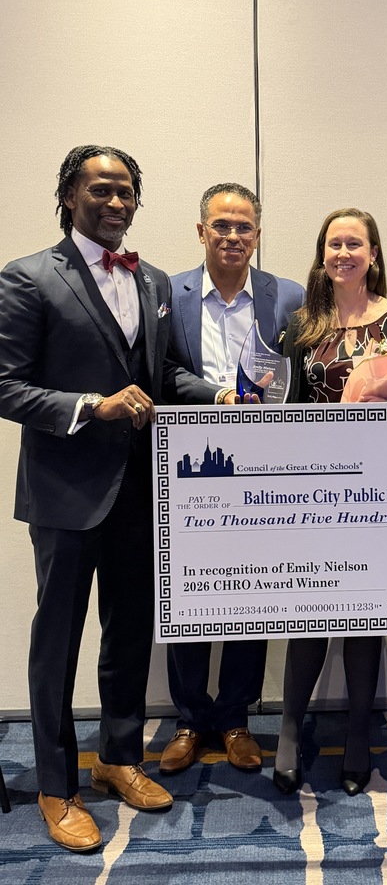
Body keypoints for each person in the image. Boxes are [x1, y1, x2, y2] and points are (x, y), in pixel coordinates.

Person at [0, 145, 218, 852]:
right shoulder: (29, 277)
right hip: (65, 495)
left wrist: (221, 394)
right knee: (56, 645)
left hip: (142, 490)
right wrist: (92, 405)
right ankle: (57, 787)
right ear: (68, 194)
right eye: (102, 189)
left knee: (129, 632)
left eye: (128, 191)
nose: (117, 202)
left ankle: (119, 758)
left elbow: (163, 374)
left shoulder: (152, 278)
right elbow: (6, 386)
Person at [273, 207, 387, 795]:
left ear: (373, 254)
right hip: (314, 489)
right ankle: (288, 730)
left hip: (383, 489)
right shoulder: (301, 323)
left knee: (364, 614)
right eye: (333, 244)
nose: (343, 253)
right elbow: (281, 405)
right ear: (322, 254)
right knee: (307, 612)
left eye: (354, 243)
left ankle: (359, 733)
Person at [160, 183, 304, 775]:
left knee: (251, 591)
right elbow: (164, 371)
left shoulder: (287, 295)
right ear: (201, 232)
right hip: (193, 468)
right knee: (190, 593)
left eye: (244, 226)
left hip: (264, 470)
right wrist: (217, 395)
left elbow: (302, 372)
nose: (233, 236)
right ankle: (191, 718)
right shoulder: (169, 294)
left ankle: (237, 717)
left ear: (258, 233)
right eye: (221, 226)